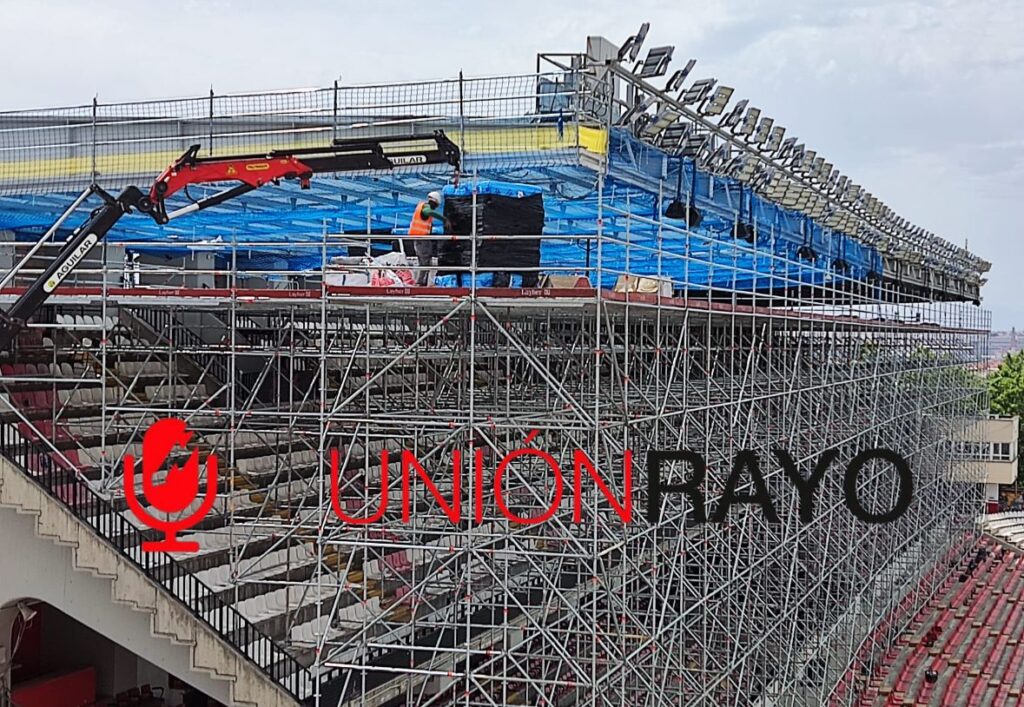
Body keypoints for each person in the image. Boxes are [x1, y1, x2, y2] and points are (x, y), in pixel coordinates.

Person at [408, 191, 447, 286]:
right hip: (422, 239)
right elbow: (427, 212)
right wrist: (444, 219)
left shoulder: (421, 206)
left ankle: (422, 283)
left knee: (424, 261)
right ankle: (420, 283)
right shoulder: (426, 208)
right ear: (434, 202)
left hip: (419, 239)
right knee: (425, 262)